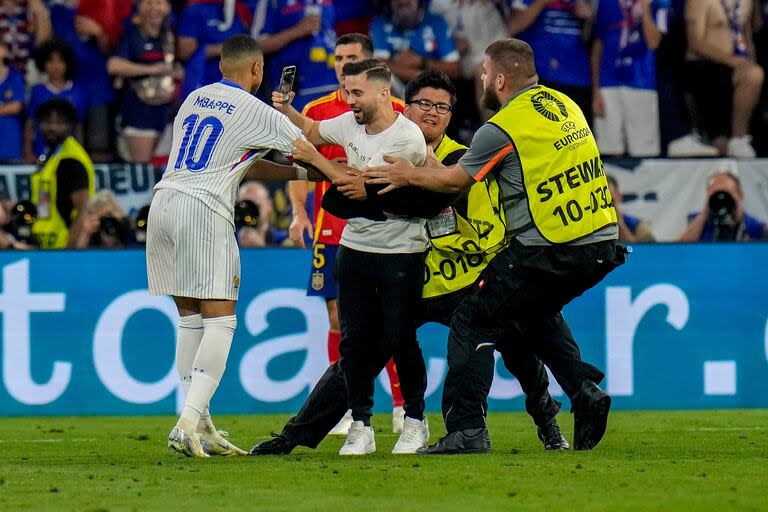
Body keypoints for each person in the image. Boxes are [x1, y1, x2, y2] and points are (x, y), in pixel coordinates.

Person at [249, 70, 569, 458]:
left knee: (513, 339)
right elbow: (352, 189)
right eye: (424, 104)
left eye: (442, 107)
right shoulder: (389, 143)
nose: (432, 113)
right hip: (410, 273)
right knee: (361, 353)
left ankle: (545, 423)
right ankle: (295, 435)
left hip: (459, 279)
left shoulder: (461, 163)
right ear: (405, 105)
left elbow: (484, 224)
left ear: (450, 116)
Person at [364, 39, 627, 454]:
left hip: (548, 246)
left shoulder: (502, 127)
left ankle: (468, 430)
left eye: (485, 73)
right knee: (533, 313)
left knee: (473, 318)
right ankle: (583, 390)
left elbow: (455, 182)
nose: (482, 79)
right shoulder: (565, 105)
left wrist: (407, 175)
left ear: (500, 79)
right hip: (601, 242)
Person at [146, 34, 309, 458]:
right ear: (256, 70)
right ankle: (186, 423)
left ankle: (200, 423)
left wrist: (304, 176)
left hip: (164, 202)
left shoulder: (194, 99)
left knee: (190, 321)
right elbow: (305, 145)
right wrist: (332, 171)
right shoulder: (254, 107)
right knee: (221, 322)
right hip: (204, 211)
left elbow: (244, 163)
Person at [278, 58, 431, 455]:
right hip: (355, 248)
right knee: (355, 344)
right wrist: (287, 109)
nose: (350, 100)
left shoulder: (407, 137)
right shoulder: (350, 123)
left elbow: (361, 191)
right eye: (346, 92)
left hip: (402, 251)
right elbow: (311, 129)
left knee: (401, 339)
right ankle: (361, 425)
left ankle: (415, 419)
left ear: (384, 92)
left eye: (357, 92)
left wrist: (318, 161)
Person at [684, 0, 764, 158]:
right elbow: (695, 42)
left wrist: (749, 61)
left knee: (755, 75)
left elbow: (746, 35)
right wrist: (732, 60)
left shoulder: (746, 2)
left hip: (737, 67)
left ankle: (739, 138)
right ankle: (716, 140)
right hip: (705, 66)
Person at [591, 0, 669, 157]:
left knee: (643, 151)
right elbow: (598, 47)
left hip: (641, 83)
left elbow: (653, 42)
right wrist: (595, 90)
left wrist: (645, 8)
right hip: (608, 83)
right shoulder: (606, 3)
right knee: (608, 150)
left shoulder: (659, 3)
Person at [108, 0, 179, 163]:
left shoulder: (169, 35)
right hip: (138, 111)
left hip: (165, 111)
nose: (154, 8)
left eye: (159, 3)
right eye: (149, 3)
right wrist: (152, 70)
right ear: (139, 7)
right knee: (142, 168)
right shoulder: (131, 35)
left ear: (167, 7)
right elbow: (114, 65)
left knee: (163, 167)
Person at [509, 0, 596, 126]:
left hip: (578, 78)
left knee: (578, 136)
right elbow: (513, 26)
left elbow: (588, 38)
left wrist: (588, 19)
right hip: (542, 77)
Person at [28, 98, 95, 249]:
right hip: (45, 245)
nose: (52, 127)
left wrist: (68, 252)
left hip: (63, 248)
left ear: (70, 125)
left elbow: (81, 210)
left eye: (59, 123)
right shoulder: (51, 155)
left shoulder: (71, 160)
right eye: (47, 122)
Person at [250, 0, 338, 111]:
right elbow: (256, 46)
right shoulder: (271, 2)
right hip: (290, 80)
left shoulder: (327, 2)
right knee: (290, 124)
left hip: (331, 80)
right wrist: (297, 31)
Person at [370, 0, 461, 94]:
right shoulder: (380, 23)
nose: (402, 1)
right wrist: (418, 75)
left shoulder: (436, 22)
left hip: (432, 90)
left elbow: (454, 69)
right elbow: (379, 66)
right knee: (381, 79)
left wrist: (422, 62)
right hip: (399, 89)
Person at [25, 38, 88, 163]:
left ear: (67, 63)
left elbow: (79, 126)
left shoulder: (79, 93)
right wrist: (28, 153)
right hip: (41, 153)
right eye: (50, 61)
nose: (55, 66)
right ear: (43, 63)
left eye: (60, 61)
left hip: (69, 154)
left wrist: (80, 153)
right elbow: (30, 124)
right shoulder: (37, 91)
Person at [678, 170, 766, 241]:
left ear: (740, 196)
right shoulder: (699, 222)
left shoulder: (756, 227)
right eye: (716, 194)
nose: (722, 199)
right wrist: (704, 214)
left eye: (726, 193)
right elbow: (679, 251)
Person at [606, 175, 655, 242]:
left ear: (618, 197)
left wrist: (620, 224)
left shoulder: (639, 227)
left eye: (610, 201)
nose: (604, 207)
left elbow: (643, 251)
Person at [0, 40, 24, 162]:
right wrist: (6, 107)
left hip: (10, 147)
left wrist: (10, 107)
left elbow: (16, 107)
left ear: (5, 50)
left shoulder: (15, 77)